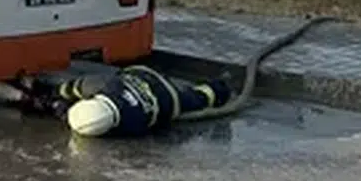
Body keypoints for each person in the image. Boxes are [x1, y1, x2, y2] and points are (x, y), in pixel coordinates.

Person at [17, 64, 234, 138]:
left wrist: (54, 104)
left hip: (170, 99)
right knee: (203, 97)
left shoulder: (129, 126)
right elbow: (79, 87)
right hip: (142, 74)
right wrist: (58, 92)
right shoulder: (107, 87)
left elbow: (95, 124)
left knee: (197, 99)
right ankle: (222, 87)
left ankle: (220, 88)